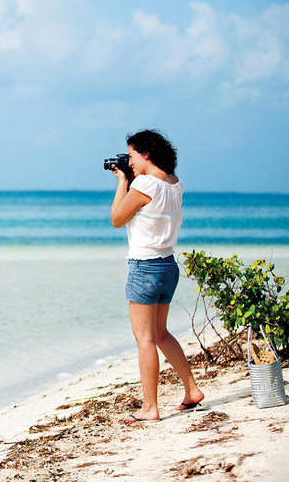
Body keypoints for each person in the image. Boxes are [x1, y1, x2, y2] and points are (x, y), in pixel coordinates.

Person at [109, 129, 204, 423]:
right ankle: (191, 390)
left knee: (146, 339)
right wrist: (132, 178)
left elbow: (116, 219)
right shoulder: (175, 184)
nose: (130, 161)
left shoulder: (144, 184)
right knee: (161, 333)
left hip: (145, 266)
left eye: (132, 155)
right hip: (167, 265)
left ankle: (150, 407)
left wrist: (123, 181)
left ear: (145, 154)